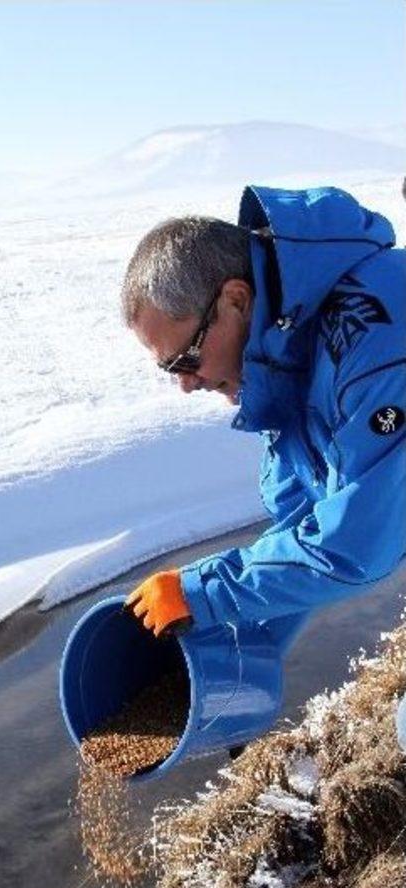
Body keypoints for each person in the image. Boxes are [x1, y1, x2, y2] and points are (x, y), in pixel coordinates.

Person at [122, 185, 405, 663]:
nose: (186, 385)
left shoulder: (376, 347)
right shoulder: (289, 346)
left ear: (235, 300)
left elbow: (355, 546)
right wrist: (245, 652)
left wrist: (201, 592)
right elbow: (304, 521)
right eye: (168, 370)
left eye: (185, 360)